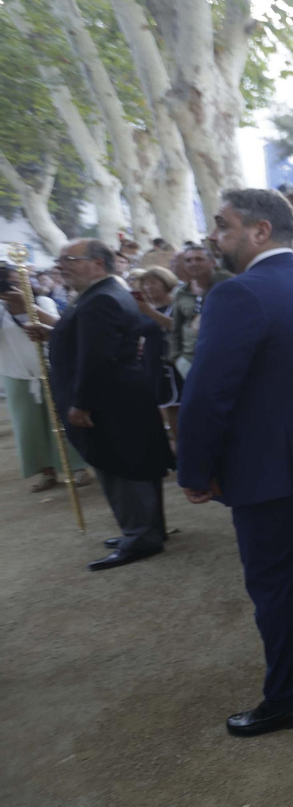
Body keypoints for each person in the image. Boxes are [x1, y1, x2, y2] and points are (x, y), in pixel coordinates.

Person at [179, 188, 293, 737]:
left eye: (223, 225)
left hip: (267, 471)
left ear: (260, 231)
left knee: (274, 583)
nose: (214, 235)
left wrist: (193, 469)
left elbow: (208, 393)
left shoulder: (238, 294)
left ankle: (287, 698)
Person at [27, 239, 174, 570]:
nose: (61, 264)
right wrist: (53, 334)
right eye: (60, 259)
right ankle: (147, 528)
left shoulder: (101, 298)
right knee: (134, 463)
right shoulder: (103, 293)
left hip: (108, 402)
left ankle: (141, 537)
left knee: (122, 467)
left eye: (70, 259)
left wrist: (82, 403)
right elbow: (96, 341)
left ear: (97, 263)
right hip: (121, 397)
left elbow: (98, 358)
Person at [0, 264, 88, 492]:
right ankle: (45, 471)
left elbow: (62, 328)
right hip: (16, 373)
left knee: (61, 420)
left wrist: (26, 305)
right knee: (28, 425)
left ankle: (78, 468)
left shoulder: (43, 302)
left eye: (22, 280)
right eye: (13, 282)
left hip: (51, 369)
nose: (20, 285)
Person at [131, 267, 183, 435]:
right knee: (167, 406)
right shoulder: (145, 309)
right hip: (153, 363)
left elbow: (176, 327)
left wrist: (148, 311)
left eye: (154, 282)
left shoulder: (177, 304)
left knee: (180, 405)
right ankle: (176, 443)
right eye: (145, 283)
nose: (148, 287)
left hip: (174, 364)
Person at [168, 243, 231, 377]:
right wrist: (176, 358)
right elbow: (176, 327)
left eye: (199, 259)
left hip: (224, 357)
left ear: (212, 262)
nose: (193, 264)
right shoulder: (181, 292)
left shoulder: (230, 284)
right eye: (188, 260)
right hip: (189, 359)